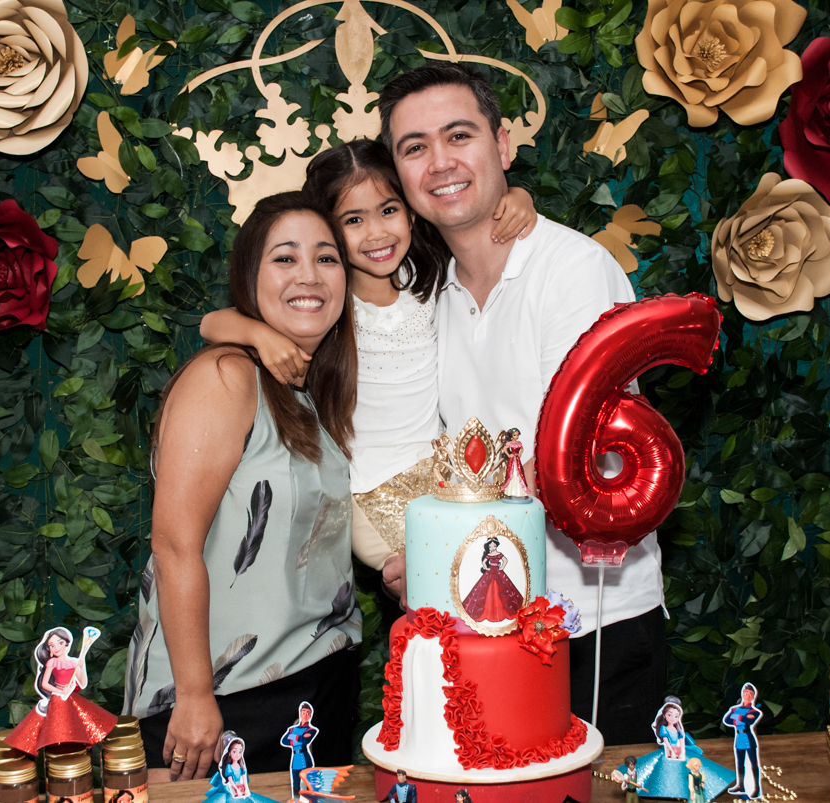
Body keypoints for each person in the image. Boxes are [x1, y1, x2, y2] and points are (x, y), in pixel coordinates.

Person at [376, 62, 666, 745]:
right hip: (482, 627)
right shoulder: (429, 292)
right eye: (415, 147)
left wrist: (437, 549)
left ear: (503, 145)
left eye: (459, 135)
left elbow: (572, 459)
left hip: (595, 619)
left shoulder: (571, 270)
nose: (440, 162)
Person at [201, 140, 535, 578]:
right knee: (449, 585)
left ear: (411, 211)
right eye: (354, 220)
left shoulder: (428, 274)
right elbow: (211, 322)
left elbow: (482, 218)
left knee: (488, 581)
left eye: (388, 210)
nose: (376, 233)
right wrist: (258, 334)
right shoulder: (328, 304)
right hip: (372, 493)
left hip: (443, 477)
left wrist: (519, 197)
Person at [123, 192, 363, 782]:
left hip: (318, 687)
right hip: (226, 700)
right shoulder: (226, 377)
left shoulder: (311, 395)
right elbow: (174, 546)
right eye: (285, 258)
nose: (309, 275)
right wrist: (194, 696)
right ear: (249, 278)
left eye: (326, 258)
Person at [6, 627, 116, 753]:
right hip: (58, 697)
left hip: (72, 697)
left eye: (60, 643)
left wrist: (81, 668)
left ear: (66, 643)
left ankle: (73, 749)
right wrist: (60, 691)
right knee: (58, 725)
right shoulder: (52, 662)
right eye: (51, 645)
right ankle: (59, 749)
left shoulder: (74, 662)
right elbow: (44, 684)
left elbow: (82, 683)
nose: (56, 648)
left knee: (80, 724)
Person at [618, 697, 733, 799]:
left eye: (676, 716)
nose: (673, 718)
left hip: (679, 751)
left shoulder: (678, 729)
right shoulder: (664, 729)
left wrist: (680, 749)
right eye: (670, 715)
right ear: (664, 715)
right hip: (669, 751)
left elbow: (682, 739)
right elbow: (666, 741)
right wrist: (671, 749)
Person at [461, 536, 523, 621]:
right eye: (490, 547)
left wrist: (502, 567)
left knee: (503, 588)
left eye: (494, 546)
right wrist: (486, 568)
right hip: (490, 572)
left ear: (497, 545)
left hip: (498, 572)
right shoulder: (489, 555)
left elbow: (505, 560)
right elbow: (484, 562)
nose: (492, 548)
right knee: (487, 588)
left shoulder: (499, 554)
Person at [722, 682, 762, 799]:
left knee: (753, 763)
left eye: (751, 694)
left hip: (748, 737)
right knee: (739, 763)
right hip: (738, 737)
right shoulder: (734, 708)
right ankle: (740, 785)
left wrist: (738, 717)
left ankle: (757, 788)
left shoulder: (754, 711)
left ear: (753, 697)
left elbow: (748, 720)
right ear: (742, 694)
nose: (748, 696)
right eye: (746, 693)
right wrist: (740, 718)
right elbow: (727, 720)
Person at [280, 703, 319, 798]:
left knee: (309, 782)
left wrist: (293, 737)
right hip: (295, 759)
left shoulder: (312, 730)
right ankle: (296, 800)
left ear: (310, 715)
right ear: (300, 713)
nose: (305, 715)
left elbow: (305, 740)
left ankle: (311, 799)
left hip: (305, 758)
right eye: (303, 712)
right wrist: (299, 738)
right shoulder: (292, 729)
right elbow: (285, 741)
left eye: (308, 713)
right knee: (296, 783)